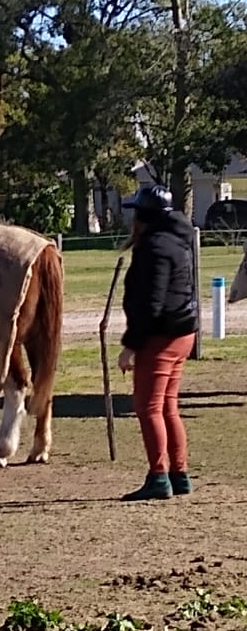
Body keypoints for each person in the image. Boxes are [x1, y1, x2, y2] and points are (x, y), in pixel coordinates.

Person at [117, 184, 198, 501]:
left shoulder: (153, 247)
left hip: (160, 336)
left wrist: (130, 346)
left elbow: (151, 303)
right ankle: (179, 473)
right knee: (168, 407)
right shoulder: (181, 240)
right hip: (182, 332)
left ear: (144, 216)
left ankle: (159, 475)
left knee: (148, 407)